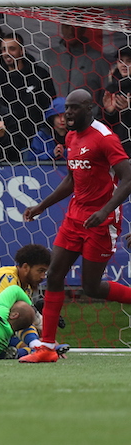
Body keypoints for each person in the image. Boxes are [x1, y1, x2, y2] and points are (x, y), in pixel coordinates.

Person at [21, 88, 131, 363]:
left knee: (91, 287)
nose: (67, 113)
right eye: (66, 108)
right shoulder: (70, 136)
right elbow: (72, 179)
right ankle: (47, 347)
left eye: (73, 108)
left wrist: (105, 210)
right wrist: (41, 206)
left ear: (89, 109)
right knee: (54, 275)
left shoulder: (105, 139)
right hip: (74, 218)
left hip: (102, 221)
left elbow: (128, 178)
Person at [0, 33, 55, 150]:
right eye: (4, 49)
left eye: (12, 49)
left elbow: (50, 106)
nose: (7, 53)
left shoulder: (39, 75)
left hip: (36, 142)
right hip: (7, 143)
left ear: (22, 51)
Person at [42, 23, 110, 98]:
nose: (71, 31)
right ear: (61, 27)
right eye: (67, 26)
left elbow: (106, 93)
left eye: (75, 26)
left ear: (83, 29)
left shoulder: (98, 59)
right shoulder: (48, 56)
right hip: (55, 109)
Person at [100, 47, 131, 155]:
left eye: (129, 61)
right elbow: (103, 124)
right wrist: (109, 112)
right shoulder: (111, 89)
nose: (124, 65)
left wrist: (128, 110)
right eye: (120, 61)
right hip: (115, 149)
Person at [25, 97, 68, 162]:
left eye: (65, 116)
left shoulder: (77, 135)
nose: (62, 120)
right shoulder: (41, 136)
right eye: (58, 116)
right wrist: (52, 154)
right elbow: (31, 159)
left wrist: (65, 153)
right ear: (52, 117)